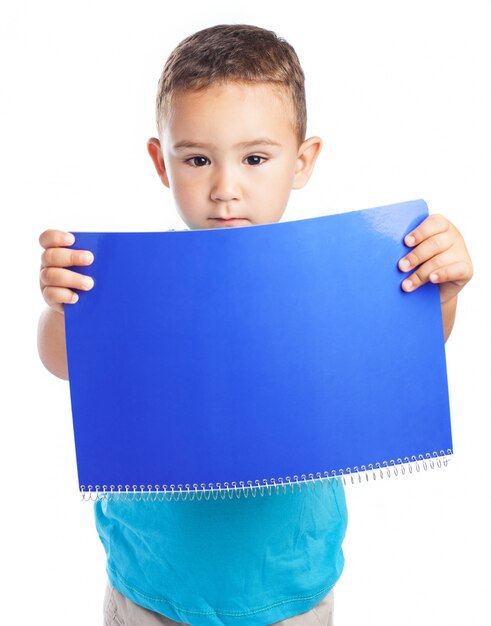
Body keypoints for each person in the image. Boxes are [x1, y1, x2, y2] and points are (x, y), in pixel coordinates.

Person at [37, 24, 473, 626]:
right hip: (148, 589)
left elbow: (396, 352)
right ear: (162, 163)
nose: (225, 189)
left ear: (303, 160)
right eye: (197, 159)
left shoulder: (332, 276)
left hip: (290, 592)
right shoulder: (134, 279)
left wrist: (439, 296)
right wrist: (63, 306)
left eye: (255, 158)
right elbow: (64, 363)